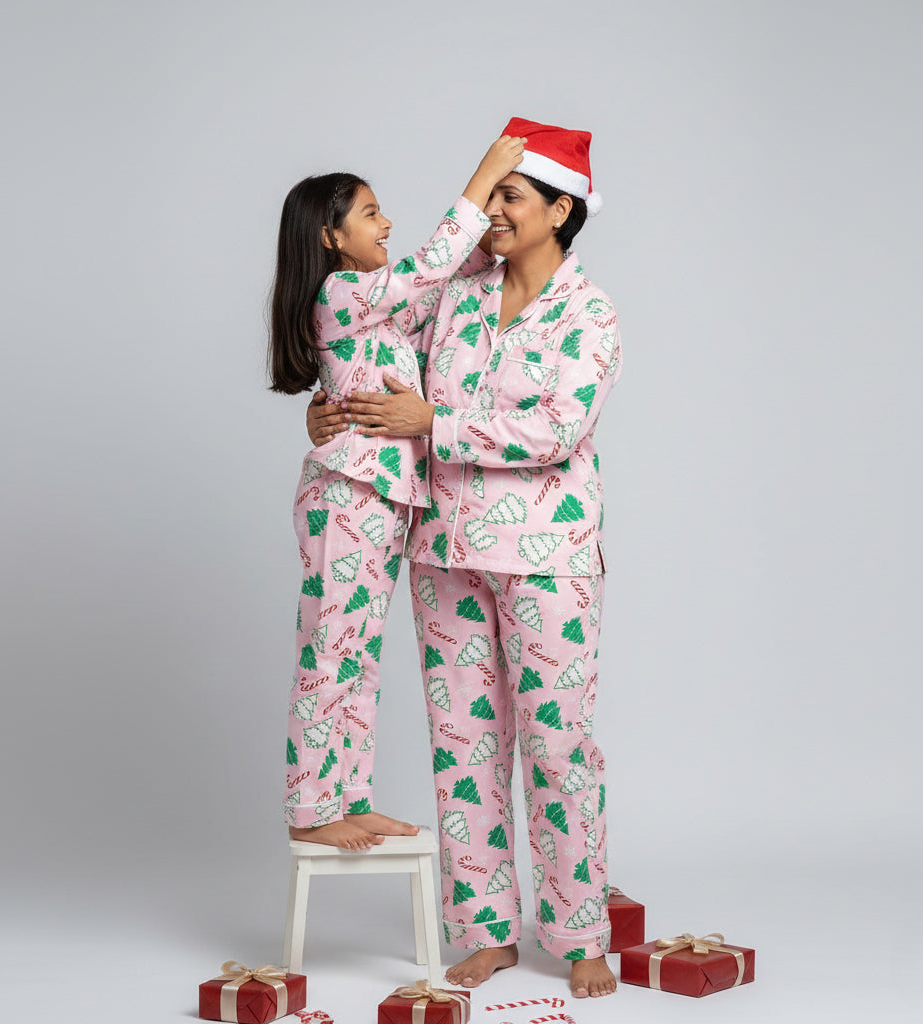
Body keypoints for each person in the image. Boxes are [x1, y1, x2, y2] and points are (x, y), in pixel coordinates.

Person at [307, 119, 622, 997]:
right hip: (444, 545)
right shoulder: (455, 292)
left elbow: (560, 430)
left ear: (562, 209)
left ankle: (578, 930)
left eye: (509, 198)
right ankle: (485, 928)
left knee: (559, 748)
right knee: (463, 744)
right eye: (490, 197)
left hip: (548, 552)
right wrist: (322, 411)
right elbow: (355, 330)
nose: (491, 214)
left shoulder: (588, 312)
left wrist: (433, 425)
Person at [268, 135, 525, 850]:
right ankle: (310, 808)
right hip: (348, 494)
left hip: (380, 500)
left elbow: (449, 277)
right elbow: (429, 265)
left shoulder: (378, 309)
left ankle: (347, 798)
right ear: (331, 236)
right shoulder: (341, 291)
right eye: (372, 214)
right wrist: (484, 176)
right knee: (331, 646)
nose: (386, 225)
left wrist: (492, 230)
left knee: (357, 655)